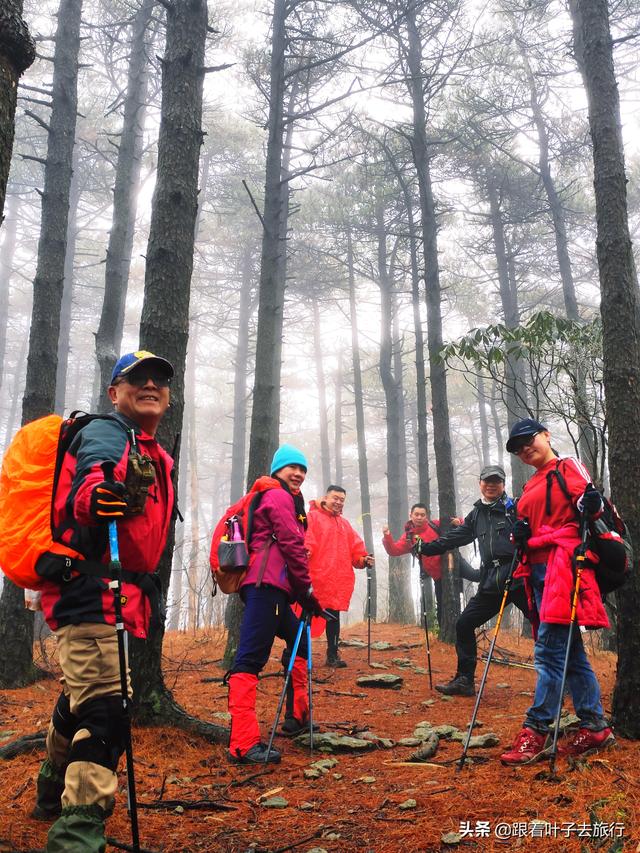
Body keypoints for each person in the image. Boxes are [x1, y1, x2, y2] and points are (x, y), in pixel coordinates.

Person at [33, 351, 175, 853]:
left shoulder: (148, 446)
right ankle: (76, 835)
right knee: (108, 712)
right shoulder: (108, 432)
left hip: (116, 595)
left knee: (85, 698)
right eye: (136, 379)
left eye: (159, 380)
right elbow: (90, 480)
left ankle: (51, 788)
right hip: (92, 591)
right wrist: (97, 495)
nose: (151, 385)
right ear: (115, 392)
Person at [499, 419, 614, 765]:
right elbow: (530, 525)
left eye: (527, 440)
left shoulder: (567, 467)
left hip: (564, 565)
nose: (523, 449)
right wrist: (519, 533)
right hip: (536, 569)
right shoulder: (531, 484)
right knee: (570, 654)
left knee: (548, 651)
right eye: (517, 448)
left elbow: (590, 507)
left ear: (546, 436)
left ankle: (536, 730)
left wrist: (590, 504)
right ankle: (594, 727)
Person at [226, 444, 323, 764]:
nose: (298, 474)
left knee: (301, 640)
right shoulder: (278, 496)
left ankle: (296, 716)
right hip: (263, 587)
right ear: (277, 470)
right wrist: (306, 590)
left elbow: (289, 549)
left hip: (276, 590)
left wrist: (299, 593)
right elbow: (292, 545)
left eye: (303, 469)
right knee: (250, 658)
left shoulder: (286, 499)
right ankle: (242, 743)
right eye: (291, 467)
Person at [416, 465, 529, 696]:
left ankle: (564, 678)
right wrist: (426, 548)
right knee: (464, 624)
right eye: (487, 481)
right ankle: (464, 681)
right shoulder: (476, 514)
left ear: (503, 484)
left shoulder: (515, 508)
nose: (491, 485)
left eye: (496, 481)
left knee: (544, 626)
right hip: (491, 582)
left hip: (518, 578)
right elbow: (454, 538)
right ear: (480, 483)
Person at [305, 485, 374, 667]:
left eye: (341, 499)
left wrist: (363, 559)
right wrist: (305, 553)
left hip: (337, 581)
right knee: (306, 617)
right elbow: (307, 542)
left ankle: (332, 655)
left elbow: (355, 551)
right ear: (325, 498)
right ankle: (299, 656)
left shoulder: (344, 524)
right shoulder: (312, 517)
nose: (338, 502)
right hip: (316, 578)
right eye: (335, 498)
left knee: (333, 618)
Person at [382, 503, 452, 625]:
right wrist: (387, 536)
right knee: (442, 606)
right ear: (411, 515)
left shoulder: (434, 524)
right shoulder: (409, 537)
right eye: (416, 514)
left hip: (453, 566)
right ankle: (444, 635)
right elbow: (394, 550)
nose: (419, 517)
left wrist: (459, 521)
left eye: (422, 515)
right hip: (438, 576)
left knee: (475, 576)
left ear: (426, 516)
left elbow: (458, 522)